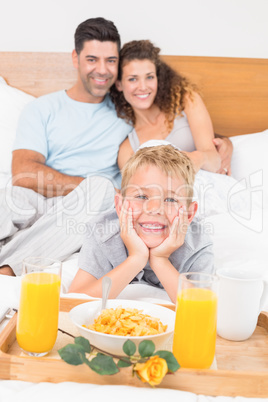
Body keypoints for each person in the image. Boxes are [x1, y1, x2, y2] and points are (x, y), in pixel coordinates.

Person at [0, 17, 131, 276]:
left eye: (111, 60)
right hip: (40, 199)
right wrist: (80, 187)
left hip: (89, 209)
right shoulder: (42, 108)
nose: (102, 70)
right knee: (4, 197)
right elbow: (24, 173)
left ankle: (6, 271)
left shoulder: (128, 114)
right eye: (92, 59)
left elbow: (178, 127)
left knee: (104, 190)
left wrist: (224, 142)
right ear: (76, 58)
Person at [69, 144, 214, 303]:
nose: (154, 209)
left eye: (170, 199)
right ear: (120, 206)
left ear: (189, 214)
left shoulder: (198, 245)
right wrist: (136, 259)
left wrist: (160, 260)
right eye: (141, 197)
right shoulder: (103, 233)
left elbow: (201, 309)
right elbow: (74, 300)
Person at [110, 40, 233, 175]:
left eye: (149, 77)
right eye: (133, 79)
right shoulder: (128, 149)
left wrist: (197, 158)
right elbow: (135, 191)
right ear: (119, 85)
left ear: (158, 78)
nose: (143, 87)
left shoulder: (186, 100)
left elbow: (214, 161)